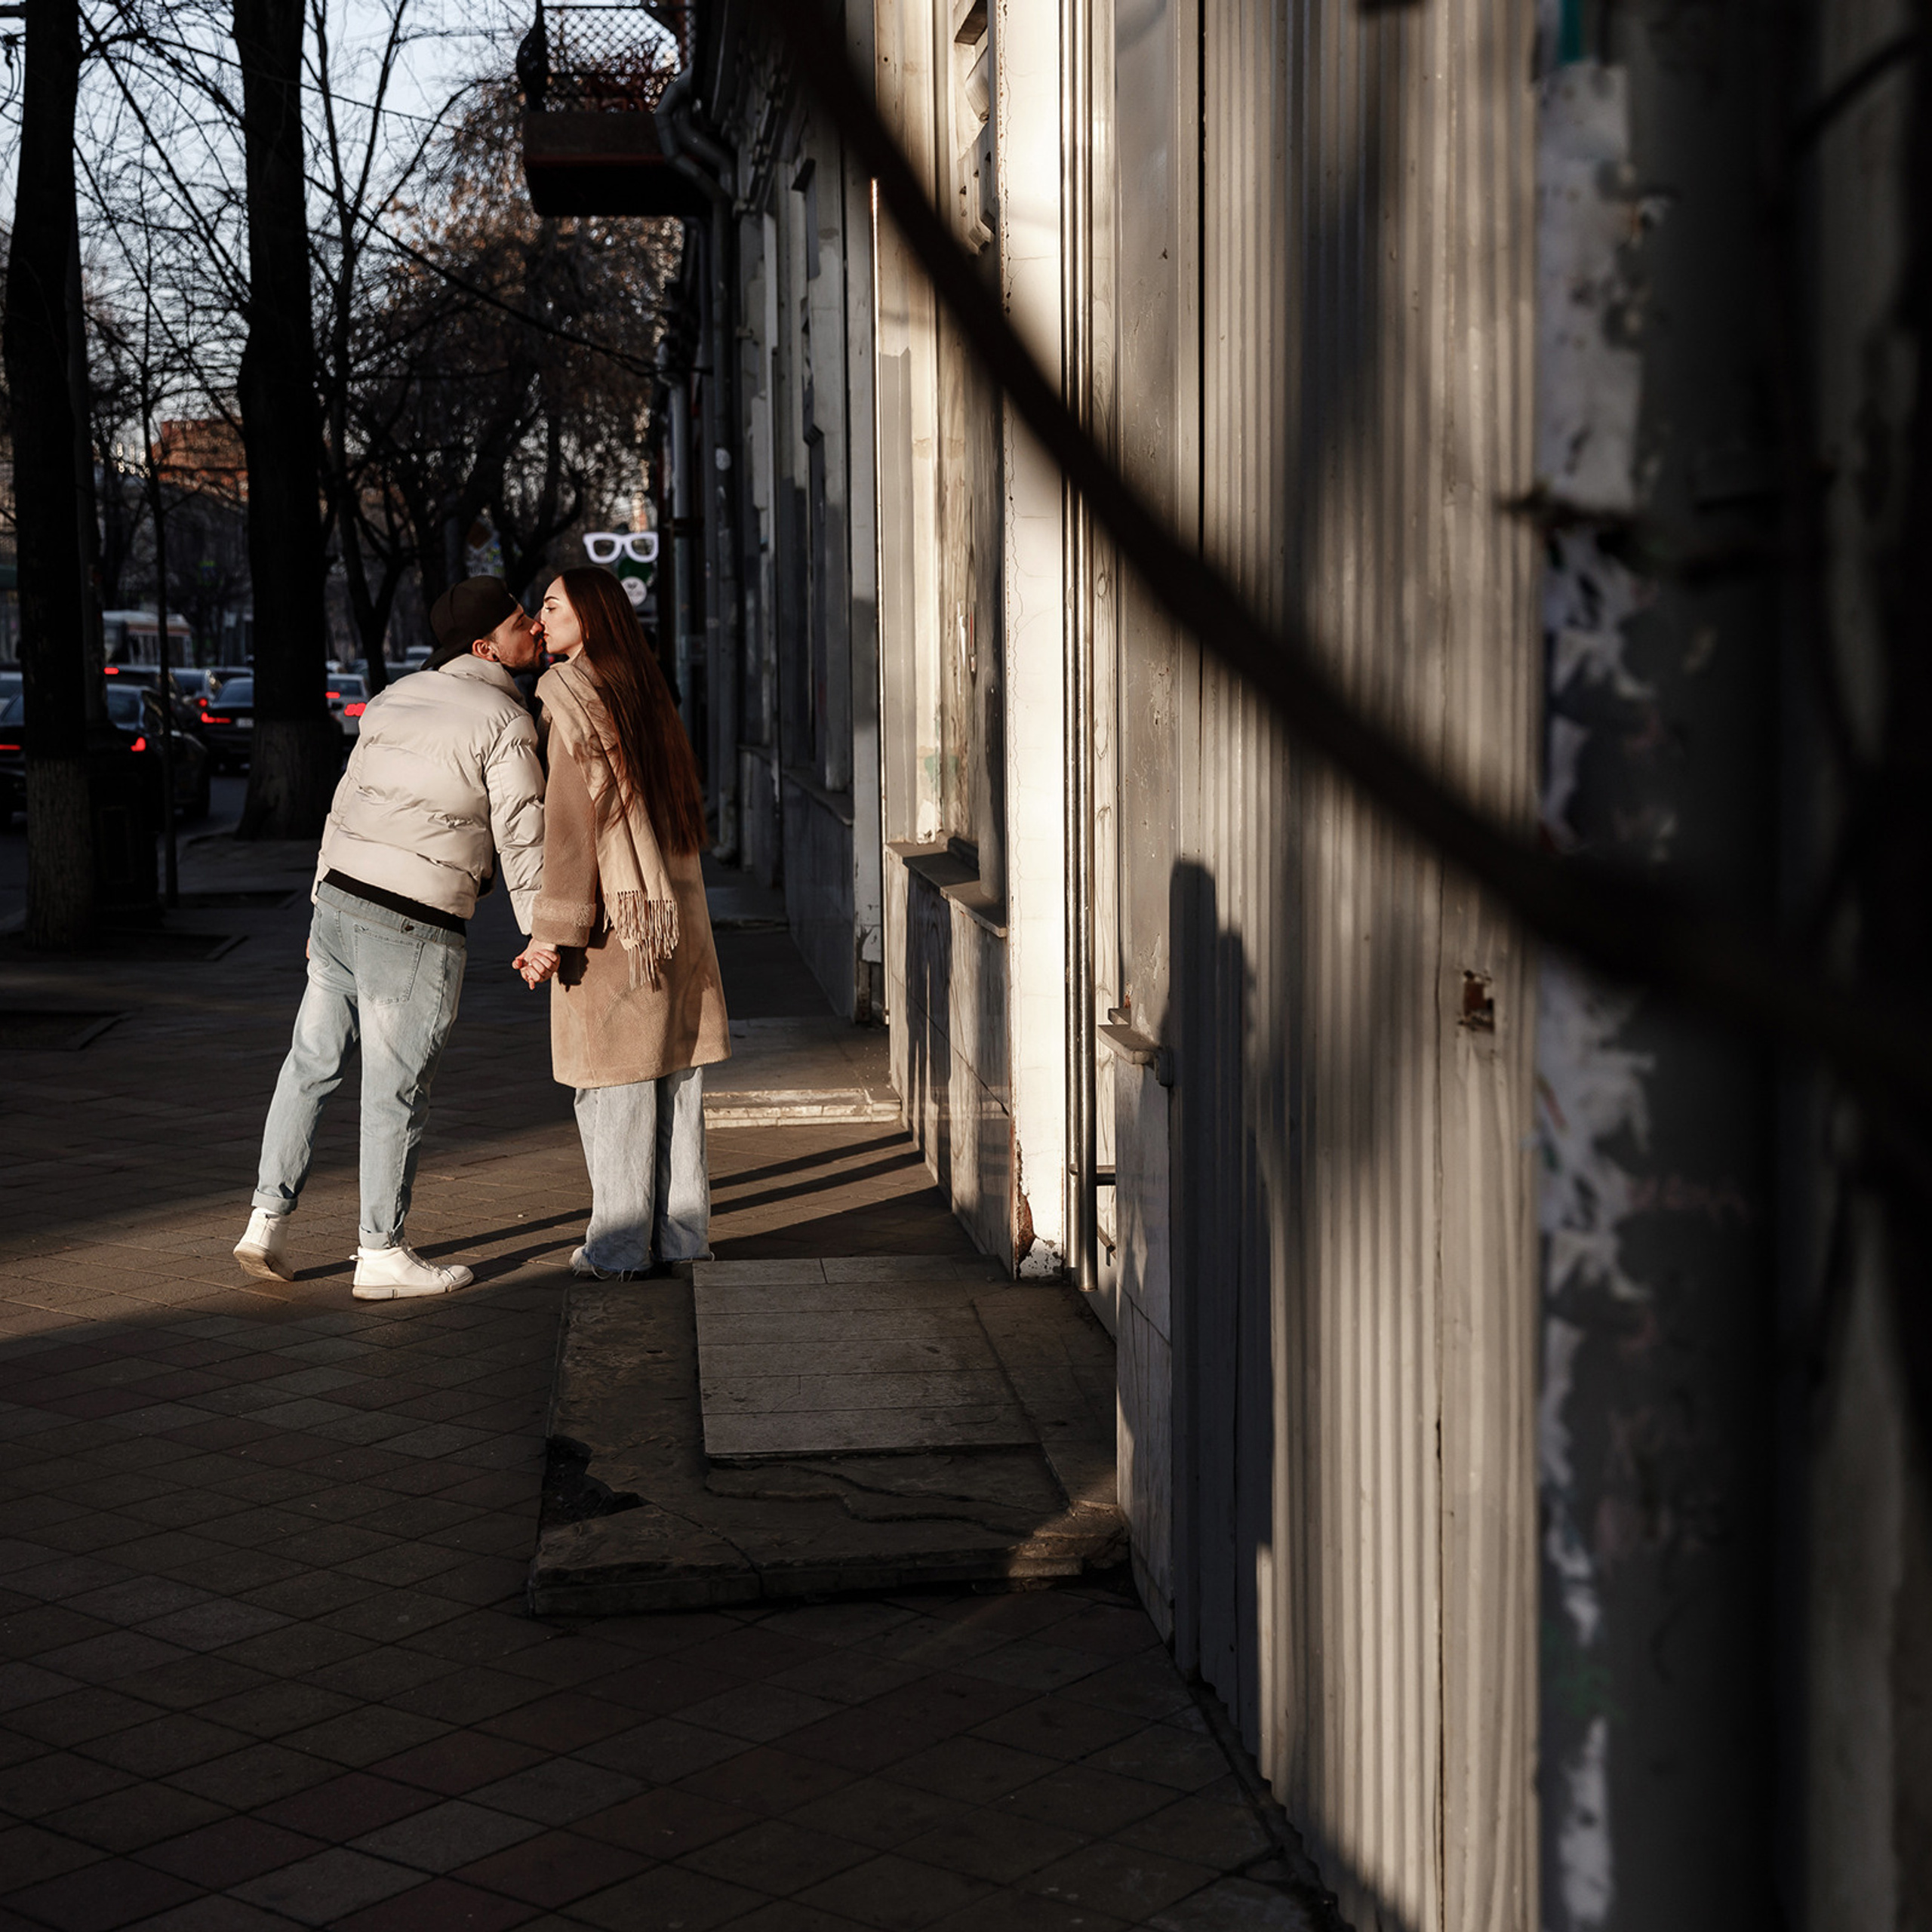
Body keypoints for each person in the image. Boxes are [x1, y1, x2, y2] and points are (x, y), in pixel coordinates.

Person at [233, 577, 548, 1298]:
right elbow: (522, 835)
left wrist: (319, 902)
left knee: (308, 1066)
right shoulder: (505, 719)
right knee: (394, 1092)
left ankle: (265, 1223)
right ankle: (380, 1254)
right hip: (414, 923)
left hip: (340, 904)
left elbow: (343, 804)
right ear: (484, 647)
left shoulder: (393, 696)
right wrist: (539, 932)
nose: (532, 628)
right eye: (519, 621)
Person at [517, 568, 729, 1278]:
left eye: (551, 607)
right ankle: (680, 1237)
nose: (540, 621)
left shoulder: (568, 697)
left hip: (618, 932)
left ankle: (616, 1248)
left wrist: (552, 932)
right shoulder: (644, 692)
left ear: (592, 617)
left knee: (612, 1086)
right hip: (675, 919)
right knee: (673, 1079)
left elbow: (572, 831)